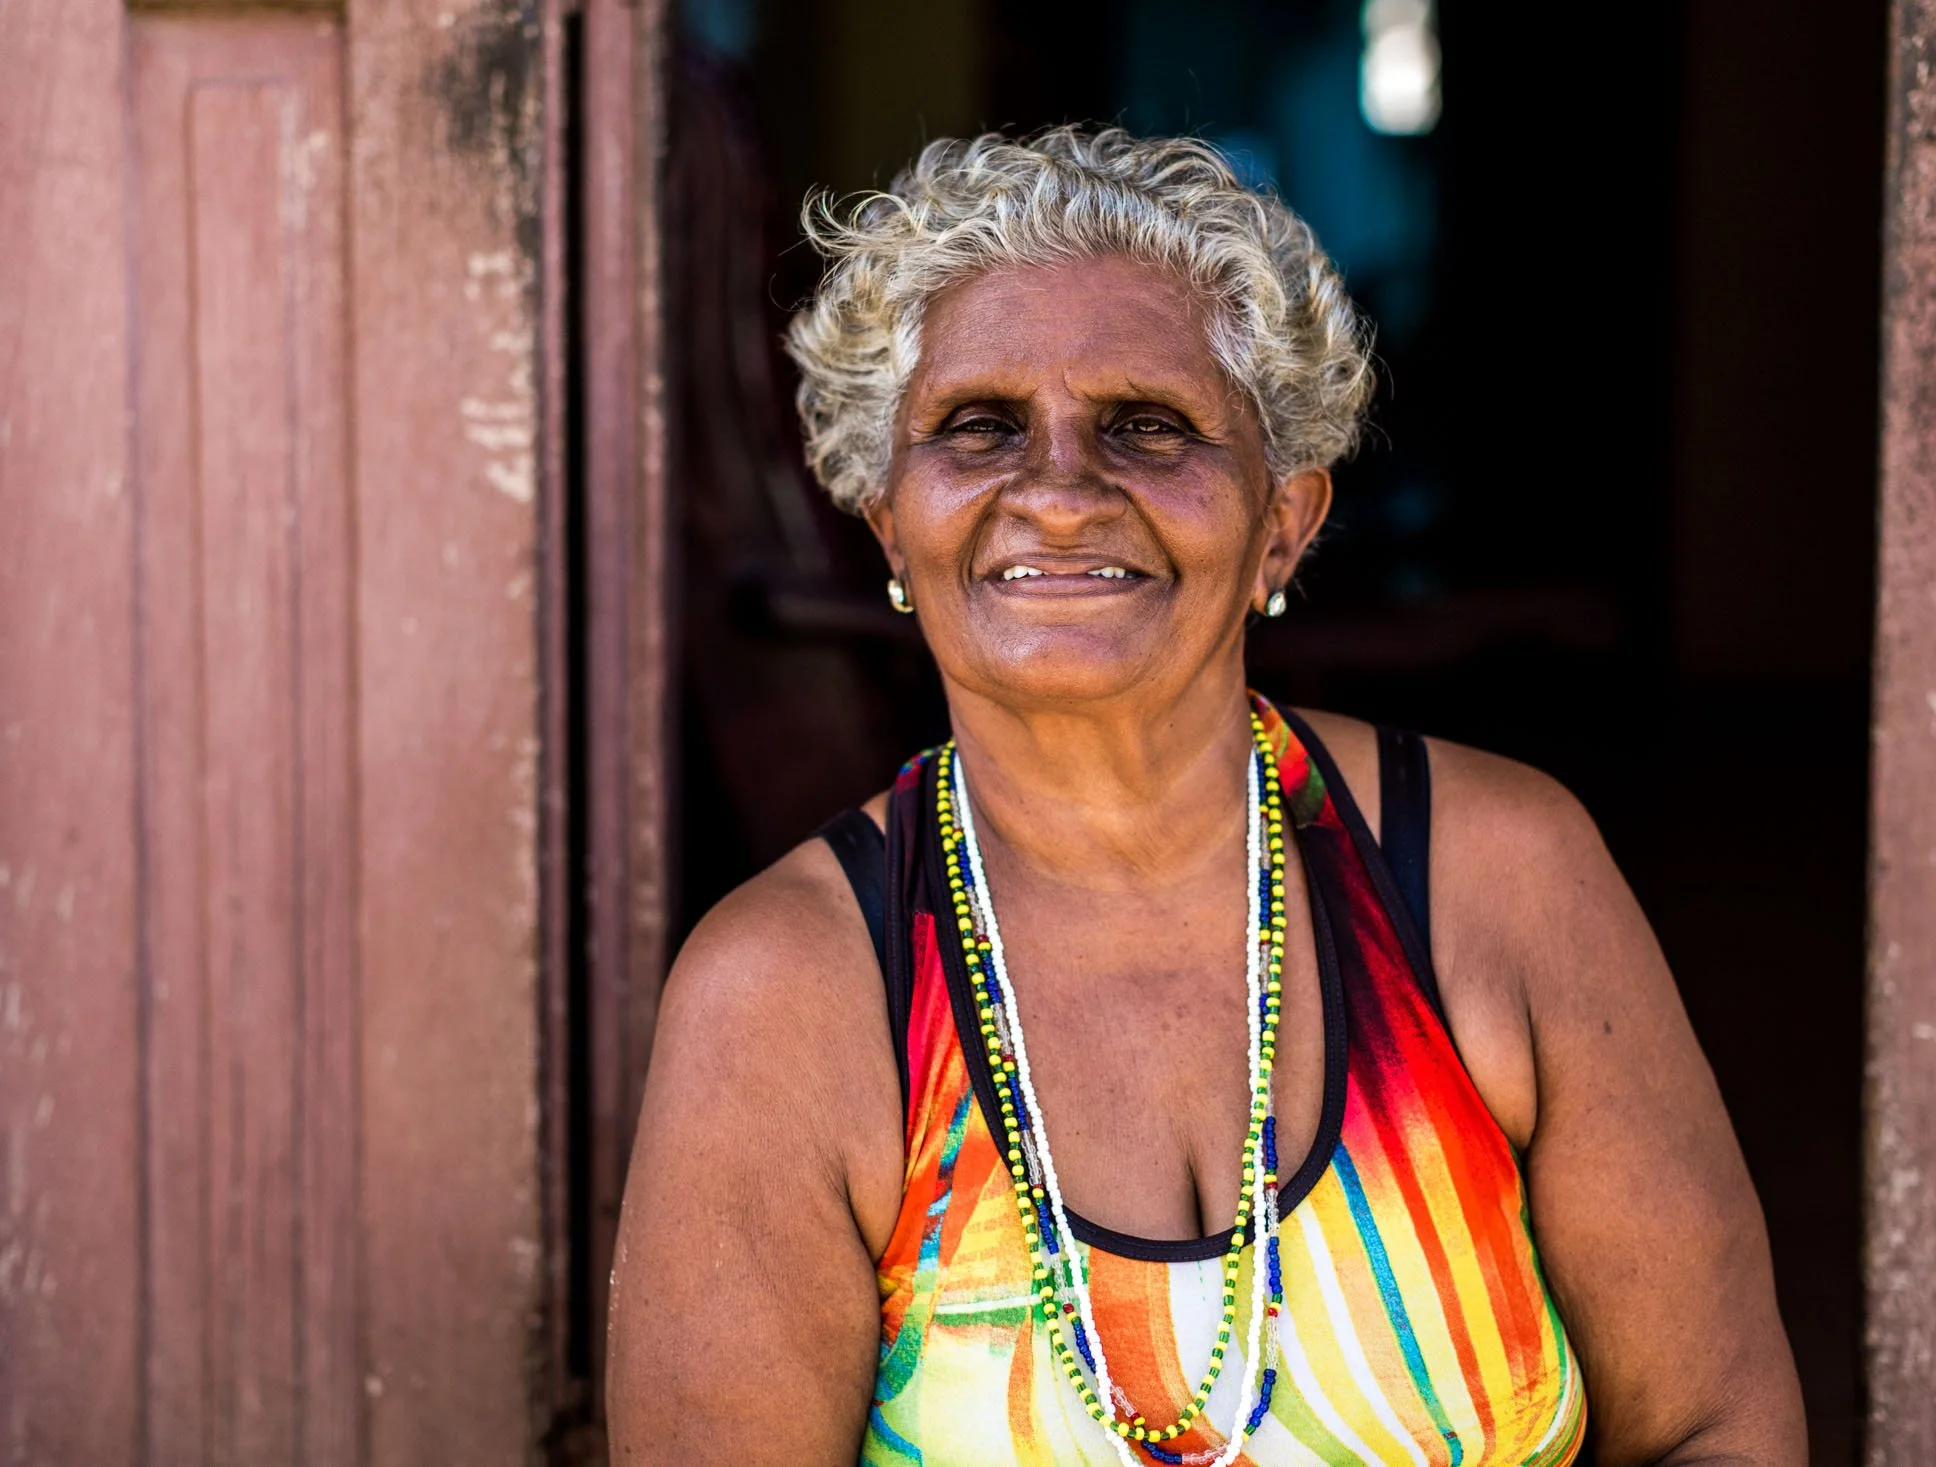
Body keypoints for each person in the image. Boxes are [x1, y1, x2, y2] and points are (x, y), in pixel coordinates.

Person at [606, 127, 1805, 1466]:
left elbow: (1715, 1422)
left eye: (1148, 426)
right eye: (979, 426)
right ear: (891, 524)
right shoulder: (788, 997)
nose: (1058, 493)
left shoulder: (1494, 876)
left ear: (1283, 523)